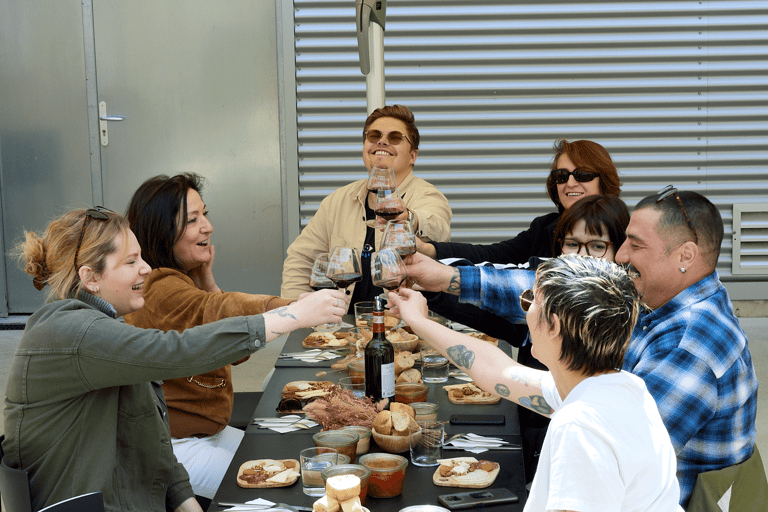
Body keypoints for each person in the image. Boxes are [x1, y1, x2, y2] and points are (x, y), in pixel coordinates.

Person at [405, 187, 759, 508]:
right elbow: (500, 371)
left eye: (635, 244)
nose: (619, 256)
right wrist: (430, 304)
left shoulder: (689, 344)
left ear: (685, 254)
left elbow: (613, 456)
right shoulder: (620, 386)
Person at [2, 208, 345, 512]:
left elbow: (150, 430)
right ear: (90, 277)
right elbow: (177, 350)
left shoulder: (99, 329)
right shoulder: (70, 331)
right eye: (131, 261)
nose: (147, 268)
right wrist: (292, 315)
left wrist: (183, 498)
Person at [390, 255, 682, 511]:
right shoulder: (620, 388)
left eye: (529, 299)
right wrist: (418, 320)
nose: (525, 309)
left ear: (553, 324)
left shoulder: (579, 427)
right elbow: (497, 371)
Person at [122, 173, 292, 499]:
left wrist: (207, 279)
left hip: (206, 432)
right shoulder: (159, 286)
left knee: (284, 461)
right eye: (192, 220)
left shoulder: (181, 280)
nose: (208, 226)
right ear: (162, 232)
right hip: (176, 447)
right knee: (278, 491)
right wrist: (295, 309)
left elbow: (234, 349)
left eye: (205, 213)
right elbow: (222, 310)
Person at [280, 104, 452, 306]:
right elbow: (301, 260)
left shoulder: (428, 195)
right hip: (345, 330)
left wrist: (409, 219)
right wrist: (296, 313)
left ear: (413, 156)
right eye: (374, 136)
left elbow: (436, 227)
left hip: (405, 328)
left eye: (395, 137)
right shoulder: (338, 200)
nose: (382, 141)